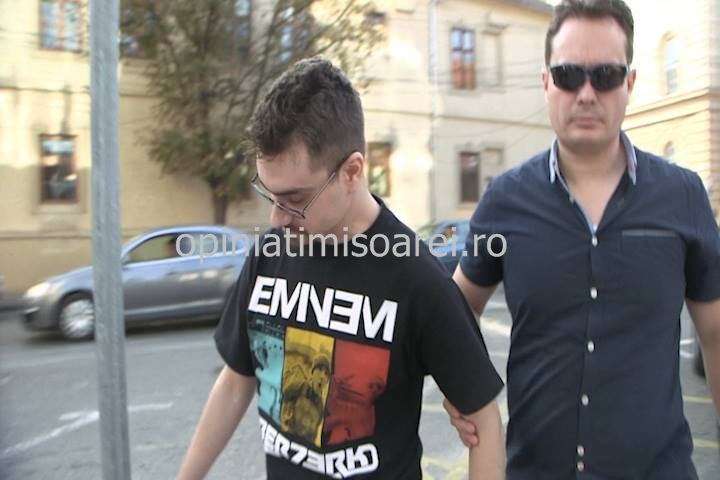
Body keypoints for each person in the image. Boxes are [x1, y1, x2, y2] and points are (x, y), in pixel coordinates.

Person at [177, 57, 506, 479]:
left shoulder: (417, 279)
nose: (277, 217)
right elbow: (235, 381)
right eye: (269, 194)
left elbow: (484, 422)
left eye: (295, 199)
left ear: (352, 172)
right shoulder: (270, 253)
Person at [444, 0, 720, 478]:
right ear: (546, 82)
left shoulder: (683, 195)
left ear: (629, 83)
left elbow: (715, 334)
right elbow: (455, 308)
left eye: (606, 75)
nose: (587, 93)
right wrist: (463, 387)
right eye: (569, 75)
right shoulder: (505, 199)